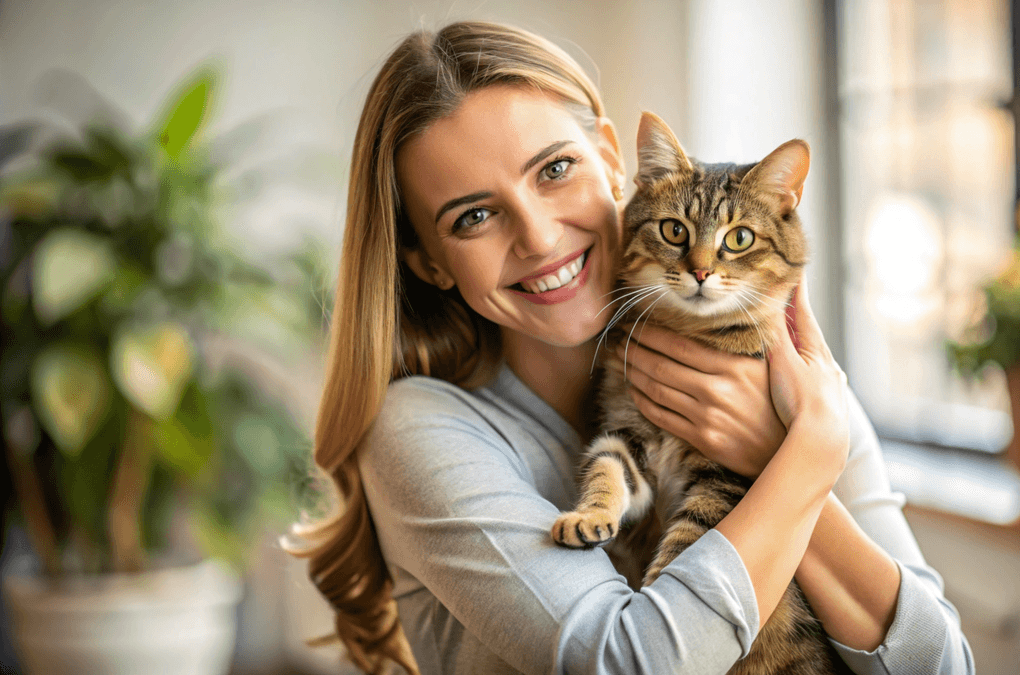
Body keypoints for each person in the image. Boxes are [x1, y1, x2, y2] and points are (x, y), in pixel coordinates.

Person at [287, 20, 974, 675]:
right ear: (431, 262)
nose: (538, 237)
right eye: (473, 215)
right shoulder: (417, 427)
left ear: (616, 162)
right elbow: (632, 661)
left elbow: (942, 662)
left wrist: (781, 452)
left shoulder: (778, 365)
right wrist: (805, 456)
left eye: (554, 169)